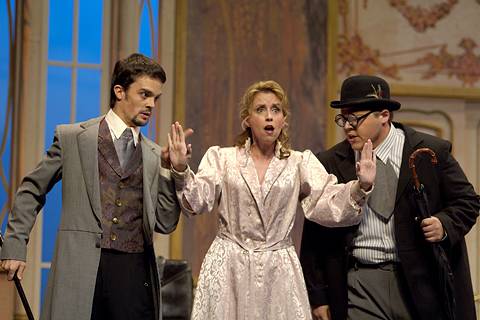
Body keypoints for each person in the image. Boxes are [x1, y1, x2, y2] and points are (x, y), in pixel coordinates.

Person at [167, 80, 376, 319]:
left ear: (283, 120)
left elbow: (328, 203)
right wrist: (181, 168)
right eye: (260, 110)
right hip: (229, 267)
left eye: (276, 110)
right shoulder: (223, 159)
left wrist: (362, 187)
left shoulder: (299, 163)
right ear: (247, 119)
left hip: (278, 271)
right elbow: (196, 201)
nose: (269, 117)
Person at [0, 53, 183, 320]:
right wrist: (16, 245)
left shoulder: (155, 155)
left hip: (133, 277)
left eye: (156, 98)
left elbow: (165, 223)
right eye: (144, 94)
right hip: (81, 271)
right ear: (119, 91)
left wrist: (172, 169)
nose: (151, 104)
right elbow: (31, 189)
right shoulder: (73, 138)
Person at [300, 75, 480, 320]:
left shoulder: (428, 152)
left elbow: (467, 202)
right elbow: (315, 232)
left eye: (355, 118)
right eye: (343, 118)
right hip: (359, 280)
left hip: (418, 278)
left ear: (384, 115)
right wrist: (318, 296)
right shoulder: (330, 162)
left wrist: (444, 224)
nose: (347, 126)